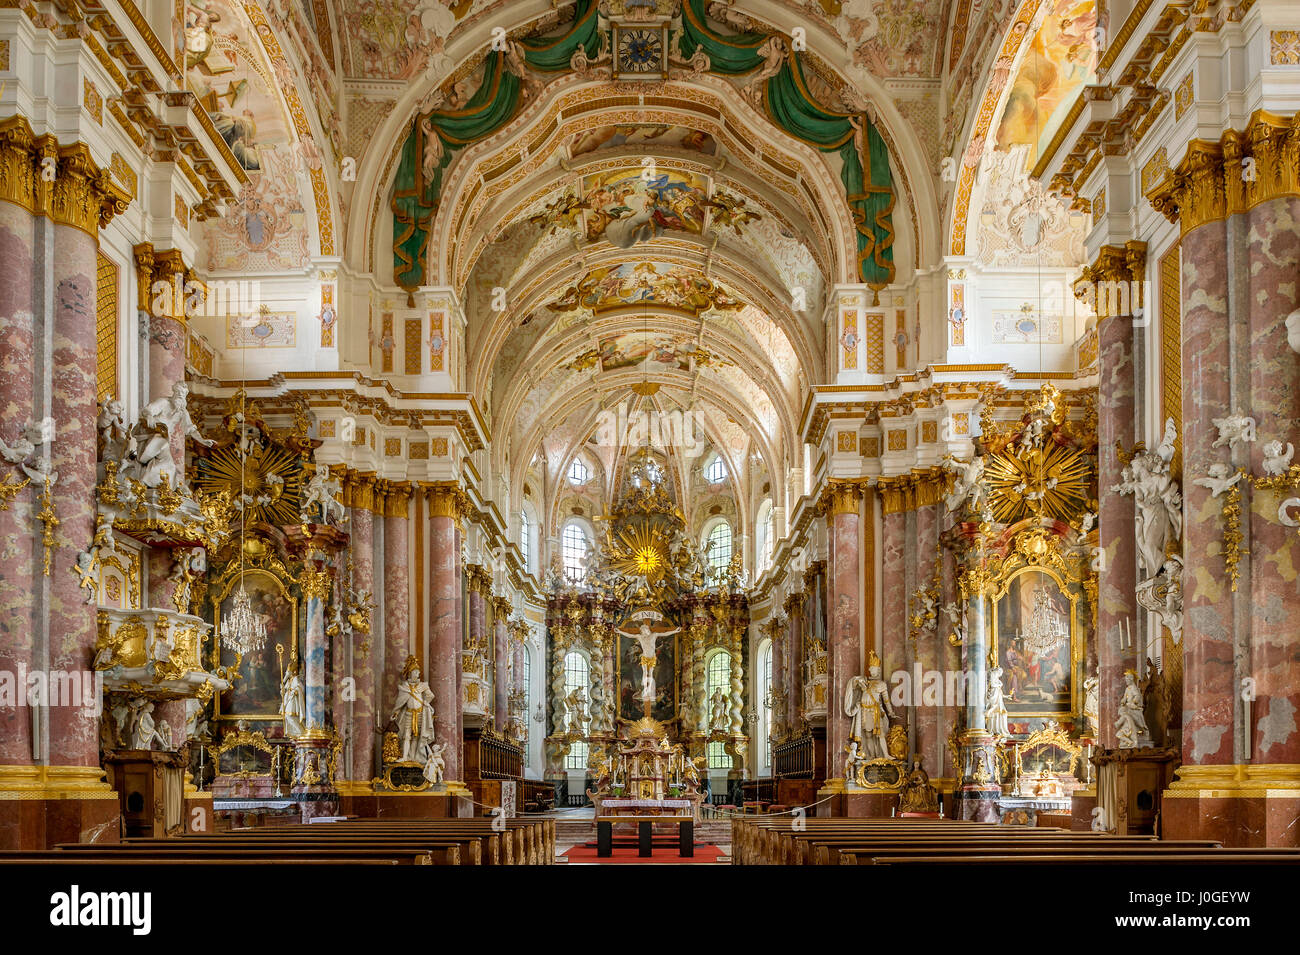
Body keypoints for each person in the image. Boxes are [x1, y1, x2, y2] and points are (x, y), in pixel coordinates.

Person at [390, 656, 436, 763]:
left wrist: (426, 702)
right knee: (406, 735)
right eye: (415, 672)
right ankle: (405, 757)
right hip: (408, 714)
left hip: (420, 714)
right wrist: (395, 713)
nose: (417, 674)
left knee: (417, 736)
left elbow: (430, 695)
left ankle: (415, 757)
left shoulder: (423, 686)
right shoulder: (404, 687)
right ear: (410, 673)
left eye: (418, 672)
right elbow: (400, 702)